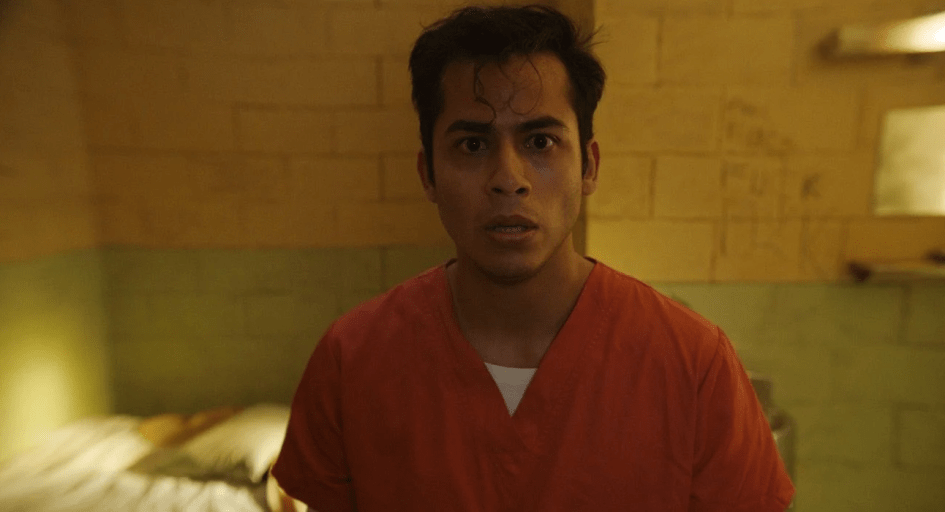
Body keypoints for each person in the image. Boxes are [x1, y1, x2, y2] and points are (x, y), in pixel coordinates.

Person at [270, 5, 795, 511]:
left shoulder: (694, 364)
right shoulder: (352, 362)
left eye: (540, 142)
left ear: (588, 166)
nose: (509, 179)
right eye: (472, 145)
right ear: (427, 174)